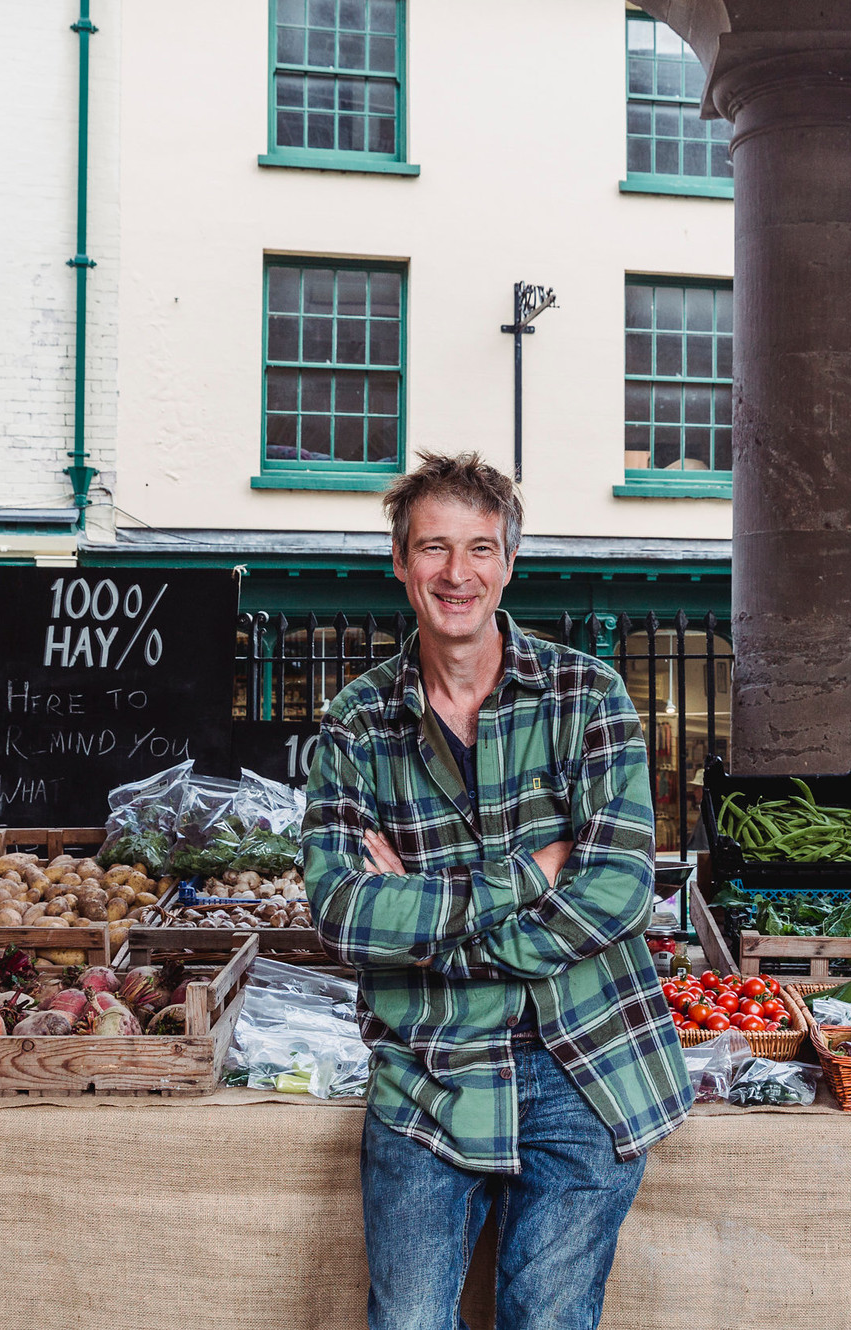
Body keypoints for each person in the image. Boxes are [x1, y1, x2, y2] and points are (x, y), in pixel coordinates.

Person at [302, 452, 691, 1330]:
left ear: (509, 563)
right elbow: (339, 912)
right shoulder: (357, 723)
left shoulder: (589, 696)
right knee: (406, 1322)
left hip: (587, 1059)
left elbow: (620, 890)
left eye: (480, 549)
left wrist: (428, 920)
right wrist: (526, 878)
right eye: (433, 548)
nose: (456, 573)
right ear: (400, 562)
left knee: (546, 1320)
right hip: (430, 1066)